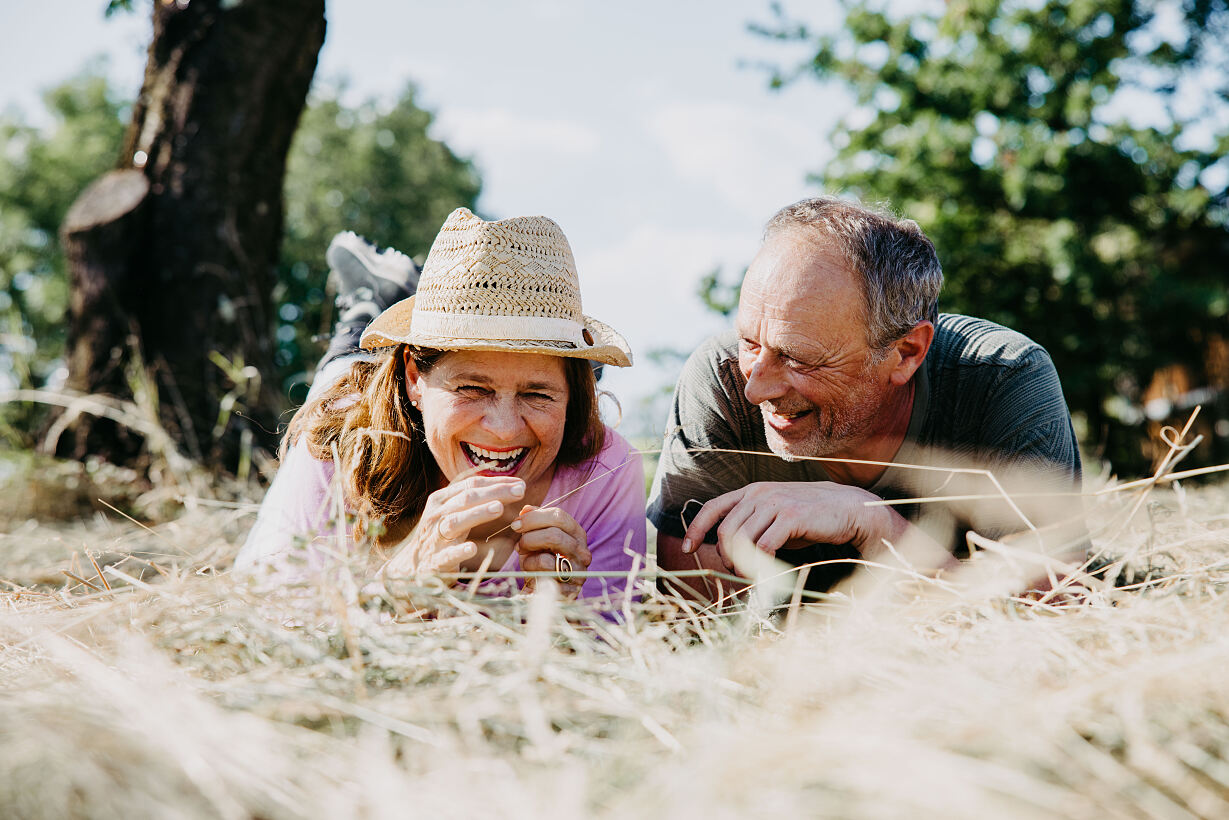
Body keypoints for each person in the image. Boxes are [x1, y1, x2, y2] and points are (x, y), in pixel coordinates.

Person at [649, 196, 1085, 595]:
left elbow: (1047, 614)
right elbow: (691, 609)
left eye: (799, 358)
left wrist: (876, 526)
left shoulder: (1002, 380)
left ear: (905, 353)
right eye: (749, 343)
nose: (755, 386)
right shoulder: (719, 381)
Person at [237, 208, 646, 604]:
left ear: (573, 393)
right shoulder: (341, 443)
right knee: (343, 370)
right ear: (415, 378)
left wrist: (557, 617)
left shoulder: (606, 470)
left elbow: (606, 641)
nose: (504, 429)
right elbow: (266, 620)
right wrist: (394, 593)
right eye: (473, 388)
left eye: (537, 394)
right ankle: (368, 306)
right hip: (364, 395)